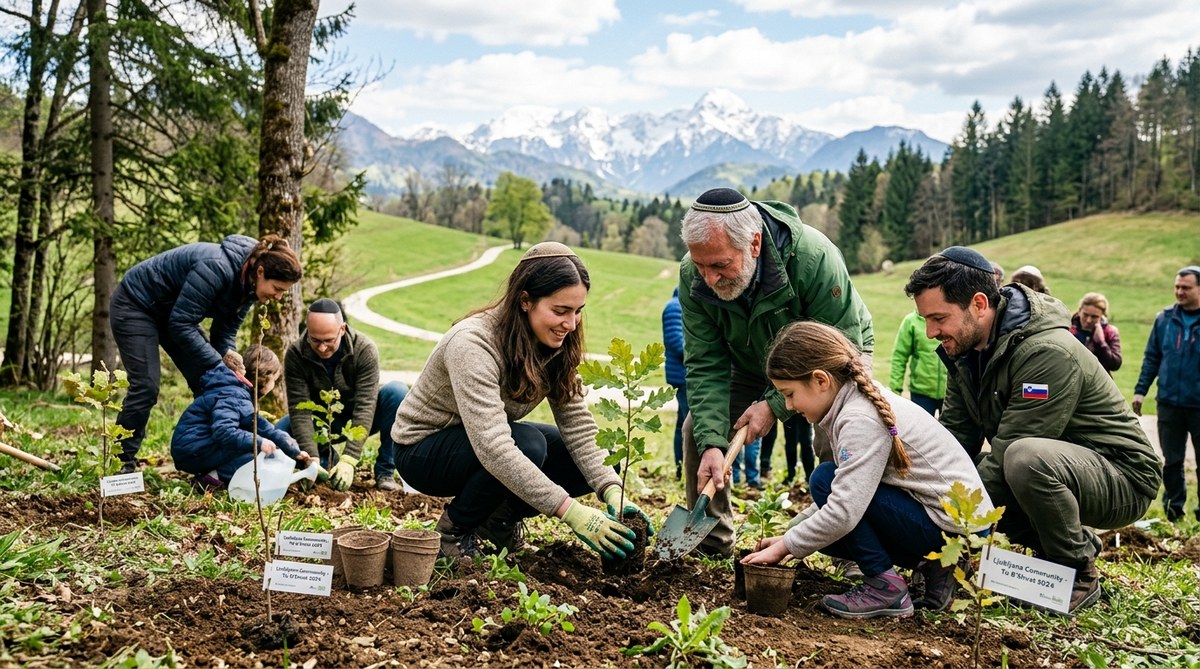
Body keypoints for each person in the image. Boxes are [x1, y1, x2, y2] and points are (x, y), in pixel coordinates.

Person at [904, 246, 1161, 614]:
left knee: (1022, 462)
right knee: (976, 471)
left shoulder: (1046, 352)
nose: (930, 332)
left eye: (938, 318)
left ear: (979, 304)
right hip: (1062, 467)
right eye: (925, 319)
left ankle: (1077, 571)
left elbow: (1010, 452)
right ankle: (1052, 551)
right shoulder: (965, 353)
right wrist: (917, 490)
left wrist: (940, 529)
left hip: (1123, 476)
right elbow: (953, 444)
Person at [390, 242, 653, 559]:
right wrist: (570, 511)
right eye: (560, 311)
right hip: (423, 451)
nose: (570, 324)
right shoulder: (473, 342)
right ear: (525, 301)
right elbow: (494, 446)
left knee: (594, 457)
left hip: (480, 443)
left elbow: (578, 425)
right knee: (528, 444)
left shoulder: (554, 343)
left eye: (577, 311)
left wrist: (612, 490)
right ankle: (452, 533)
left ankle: (497, 520)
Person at [742, 321, 993, 618]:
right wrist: (791, 534)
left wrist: (786, 546)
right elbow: (851, 489)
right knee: (824, 518)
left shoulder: (859, 418)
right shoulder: (852, 402)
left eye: (790, 393)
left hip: (953, 528)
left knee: (824, 479)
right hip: (953, 526)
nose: (789, 405)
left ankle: (885, 587)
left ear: (821, 380)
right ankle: (938, 568)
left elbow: (844, 507)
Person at [678, 187, 873, 557]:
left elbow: (839, 353)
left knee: (840, 437)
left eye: (720, 265)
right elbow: (705, 363)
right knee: (697, 431)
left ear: (754, 244)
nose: (710, 279)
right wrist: (712, 445)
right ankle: (712, 543)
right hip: (748, 361)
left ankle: (852, 551)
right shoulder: (693, 276)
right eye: (701, 266)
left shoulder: (814, 258)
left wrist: (774, 404)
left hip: (831, 359)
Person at [110, 235, 302, 473]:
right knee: (146, 386)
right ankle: (121, 465)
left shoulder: (249, 288)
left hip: (174, 314)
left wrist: (230, 360)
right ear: (261, 271)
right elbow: (181, 324)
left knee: (215, 380)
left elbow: (224, 334)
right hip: (136, 305)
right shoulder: (216, 267)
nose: (278, 297)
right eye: (277, 289)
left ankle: (207, 458)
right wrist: (218, 363)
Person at [276, 299, 409, 492]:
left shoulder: (364, 349)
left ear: (342, 329)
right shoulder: (296, 353)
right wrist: (310, 458)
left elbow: (366, 405)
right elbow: (300, 409)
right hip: (320, 423)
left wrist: (350, 458)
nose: (322, 348)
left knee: (397, 392)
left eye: (328, 341)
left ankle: (385, 472)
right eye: (315, 340)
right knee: (280, 430)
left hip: (359, 418)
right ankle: (324, 458)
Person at [171, 345, 310, 490]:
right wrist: (259, 442)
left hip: (199, 447)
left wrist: (295, 452)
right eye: (275, 379)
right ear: (266, 378)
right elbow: (224, 431)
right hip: (192, 450)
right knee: (253, 460)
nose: (274, 384)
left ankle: (216, 473)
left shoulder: (239, 392)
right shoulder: (232, 394)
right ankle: (211, 477)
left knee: (252, 448)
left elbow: (263, 428)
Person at [1133, 266, 1200, 522]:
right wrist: (1140, 391)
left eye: (1186, 287)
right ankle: (1174, 512)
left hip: (1198, 404)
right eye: (1177, 287)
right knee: (1172, 461)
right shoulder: (1164, 319)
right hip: (1169, 403)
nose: (1179, 292)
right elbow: (1152, 358)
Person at [889, 309, 947, 416]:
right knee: (922, 431)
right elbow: (899, 357)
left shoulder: (948, 319)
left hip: (950, 394)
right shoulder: (911, 322)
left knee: (950, 432)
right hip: (921, 394)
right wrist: (895, 391)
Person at [662, 287, 687, 481]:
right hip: (683, 375)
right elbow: (677, 343)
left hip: (685, 374)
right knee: (687, 424)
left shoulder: (681, 304)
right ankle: (683, 468)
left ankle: (683, 468)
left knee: (683, 423)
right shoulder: (675, 307)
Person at [1070, 292, 1122, 375]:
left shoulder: (1110, 332)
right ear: (1079, 311)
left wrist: (1101, 343)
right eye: (1085, 315)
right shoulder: (1067, 328)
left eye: (1094, 317)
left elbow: (1115, 364)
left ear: (1102, 316)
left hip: (1098, 384)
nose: (1088, 320)